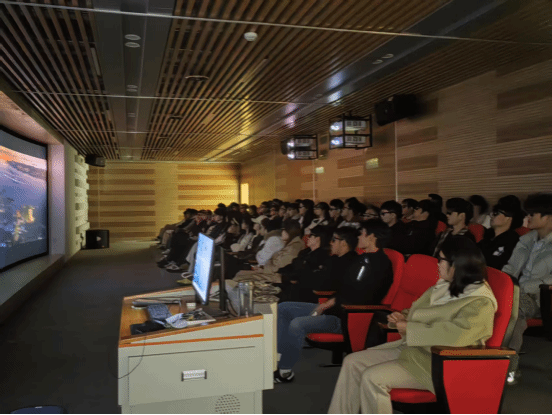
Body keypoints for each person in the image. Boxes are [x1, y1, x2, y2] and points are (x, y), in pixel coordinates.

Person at [328, 237, 498, 414]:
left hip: (439, 364)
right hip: (415, 351)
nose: (437, 264)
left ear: (457, 264)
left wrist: (409, 329)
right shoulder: (445, 286)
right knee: (352, 362)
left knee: (372, 378)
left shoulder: (480, 301)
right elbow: (419, 311)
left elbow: (458, 336)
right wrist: (402, 317)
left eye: (441, 260)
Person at [275, 221, 393, 384]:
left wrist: (328, 305)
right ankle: (280, 357)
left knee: (297, 324)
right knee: (284, 308)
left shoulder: (378, 263)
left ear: (372, 237)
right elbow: (345, 288)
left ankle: (284, 371)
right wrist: (328, 303)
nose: (358, 237)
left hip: (345, 317)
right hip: (335, 309)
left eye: (362, 233)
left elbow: (360, 295)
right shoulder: (362, 259)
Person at [502, 193, 552, 384]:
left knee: (510, 313)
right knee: (491, 304)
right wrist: (502, 285)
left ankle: (507, 369)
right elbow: (510, 268)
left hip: (540, 296)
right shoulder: (527, 239)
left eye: (532, 214)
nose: (527, 218)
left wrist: (519, 287)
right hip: (517, 292)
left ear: (548, 217)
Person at [234, 219, 304, 283]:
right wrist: (263, 267)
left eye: (283, 230)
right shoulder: (291, 245)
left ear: (289, 231)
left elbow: (280, 267)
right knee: (239, 274)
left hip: (275, 277)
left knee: (240, 277)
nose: (281, 232)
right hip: (270, 272)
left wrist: (263, 269)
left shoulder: (294, 247)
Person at [278, 226, 332, 303]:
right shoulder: (305, 252)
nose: (307, 238)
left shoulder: (322, 256)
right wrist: (281, 271)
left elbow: (307, 274)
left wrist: (291, 277)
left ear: (318, 238)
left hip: (305, 292)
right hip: (290, 284)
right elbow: (293, 265)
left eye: (310, 236)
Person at [478, 197, 523, 270]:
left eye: (496, 213)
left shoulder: (514, 241)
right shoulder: (486, 238)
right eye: (492, 213)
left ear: (508, 218)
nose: (492, 216)